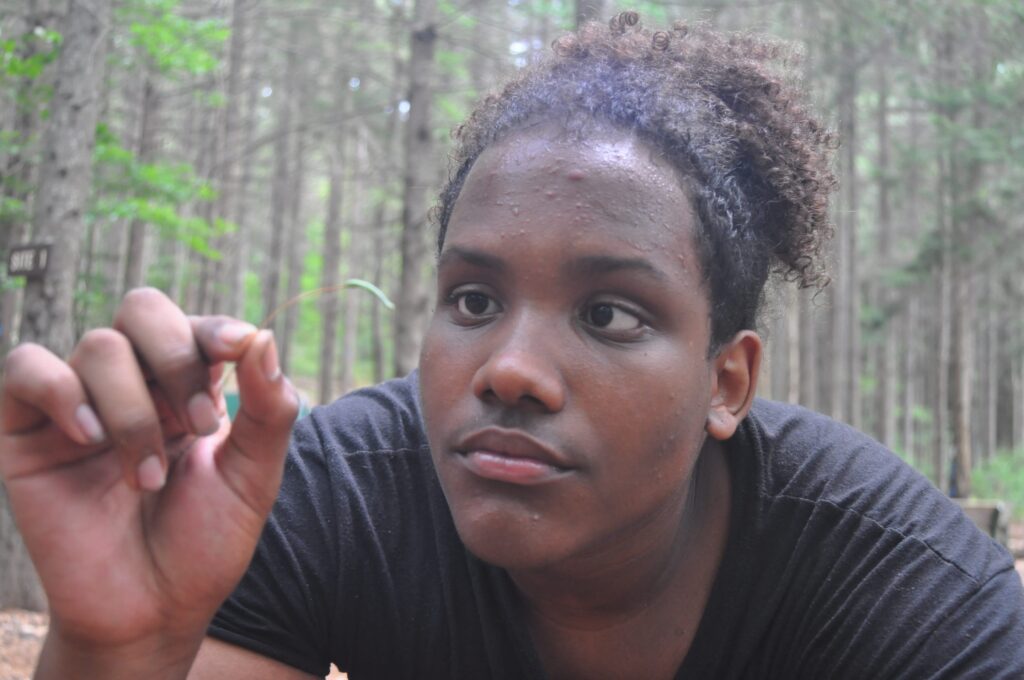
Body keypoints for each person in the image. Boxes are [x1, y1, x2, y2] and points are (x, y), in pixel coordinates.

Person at [2, 13, 1022, 679]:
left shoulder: (896, 585)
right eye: (475, 296)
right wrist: (116, 644)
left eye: (608, 314)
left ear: (726, 380)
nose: (508, 368)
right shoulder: (327, 493)